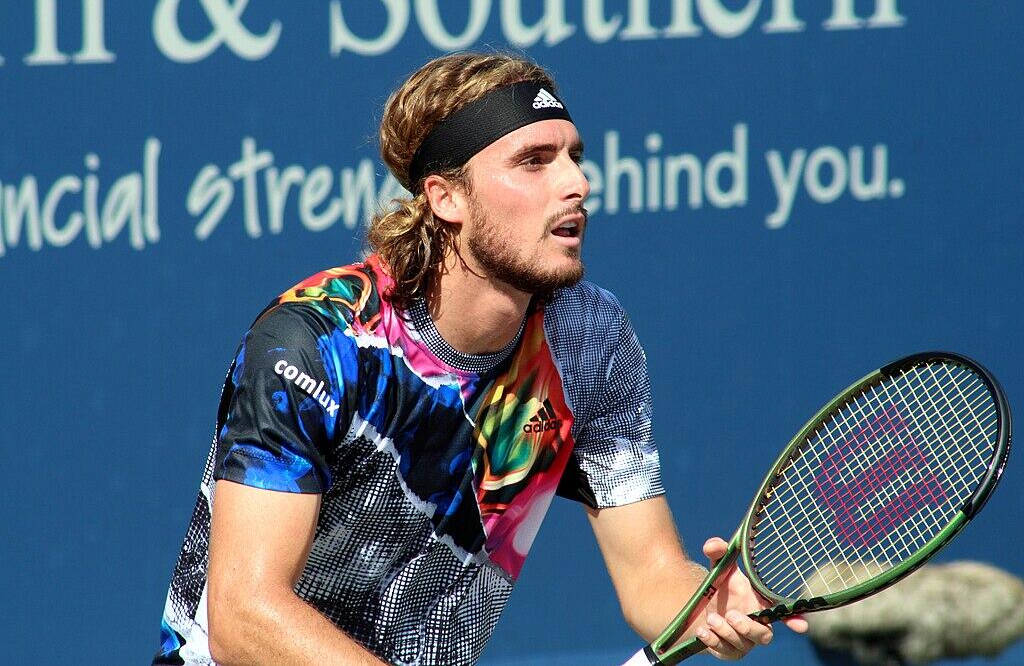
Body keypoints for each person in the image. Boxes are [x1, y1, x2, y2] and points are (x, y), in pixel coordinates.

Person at [154, 52, 807, 665]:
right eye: (534, 160)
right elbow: (243, 615)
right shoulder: (316, 340)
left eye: (575, 157)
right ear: (446, 198)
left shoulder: (590, 340)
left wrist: (707, 605)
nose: (577, 183)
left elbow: (651, 574)